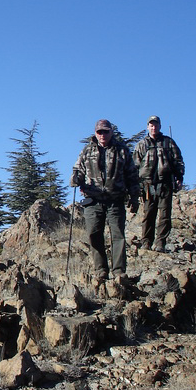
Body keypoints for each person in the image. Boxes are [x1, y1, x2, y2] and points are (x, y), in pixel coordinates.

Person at [70, 119, 140, 285]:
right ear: (95, 133)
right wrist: (75, 179)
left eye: (106, 131)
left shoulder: (122, 151)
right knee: (94, 235)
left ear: (111, 132)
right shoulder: (87, 151)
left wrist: (134, 197)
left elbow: (132, 176)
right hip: (93, 201)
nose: (103, 135)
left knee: (118, 236)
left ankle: (119, 272)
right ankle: (101, 270)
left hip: (115, 200)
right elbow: (78, 170)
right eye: (100, 132)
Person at [132, 115, 184, 252]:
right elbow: (135, 166)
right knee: (148, 214)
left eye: (156, 125)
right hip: (147, 185)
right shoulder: (142, 144)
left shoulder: (168, 142)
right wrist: (134, 184)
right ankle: (146, 242)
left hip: (165, 183)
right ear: (148, 127)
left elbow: (178, 160)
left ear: (160, 126)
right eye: (151, 125)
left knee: (165, 215)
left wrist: (179, 177)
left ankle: (160, 242)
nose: (153, 127)